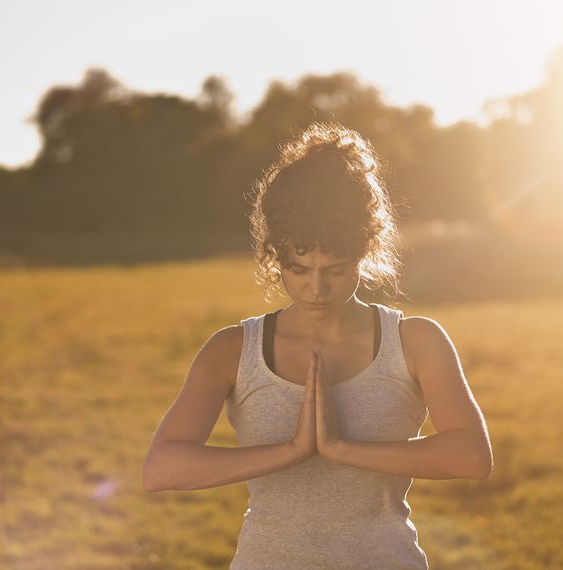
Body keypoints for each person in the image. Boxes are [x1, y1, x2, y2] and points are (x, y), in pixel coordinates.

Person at [142, 122, 493, 569]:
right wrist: (289, 451)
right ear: (275, 254)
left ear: (366, 248)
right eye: (298, 268)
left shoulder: (415, 341)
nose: (316, 288)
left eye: (336, 269)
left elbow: (471, 456)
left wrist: (343, 450)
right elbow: (161, 469)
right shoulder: (232, 350)